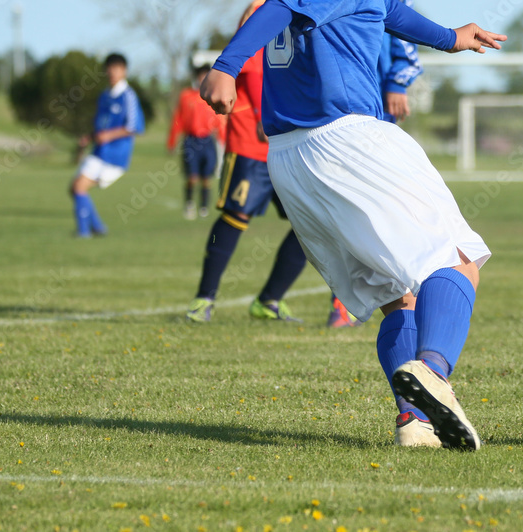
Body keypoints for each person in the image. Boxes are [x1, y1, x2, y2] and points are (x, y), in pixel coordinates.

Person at [201, 0, 505, 450]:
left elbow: (391, 12)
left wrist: (450, 38)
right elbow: (280, 11)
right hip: (346, 138)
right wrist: (225, 66)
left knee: (394, 294)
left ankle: (415, 422)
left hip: (288, 156)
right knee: (458, 258)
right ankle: (434, 373)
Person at [185, 0, 307, 323]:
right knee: (234, 218)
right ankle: (203, 299)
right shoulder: (262, 6)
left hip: (290, 143)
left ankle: (269, 300)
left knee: (311, 224)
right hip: (253, 141)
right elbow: (252, 65)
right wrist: (261, 115)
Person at [326, 0, 424, 329]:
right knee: (343, 207)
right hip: (333, 115)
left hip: (376, 112)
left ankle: (408, 292)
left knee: (387, 206)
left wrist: (397, 84)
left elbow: (409, 47)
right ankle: (343, 303)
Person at [70, 53, 144, 238]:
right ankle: (97, 228)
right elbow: (101, 125)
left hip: (116, 156)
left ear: (124, 71)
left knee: (79, 187)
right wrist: (89, 137)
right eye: (109, 68)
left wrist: (109, 135)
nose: (112, 72)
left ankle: (84, 233)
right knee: (76, 188)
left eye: (117, 68)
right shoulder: (104, 96)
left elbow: (134, 127)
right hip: (99, 152)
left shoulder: (128, 96)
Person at [168, 65, 226, 220]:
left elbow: (220, 120)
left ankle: (204, 206)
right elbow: (177, 119)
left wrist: (223, 139)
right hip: (191, 141)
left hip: (208, 141)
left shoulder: (213, 95)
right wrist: (172, 141)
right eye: (201, 76)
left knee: (207, 177)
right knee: (192, 177)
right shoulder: (187, 96)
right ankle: (189, 204)